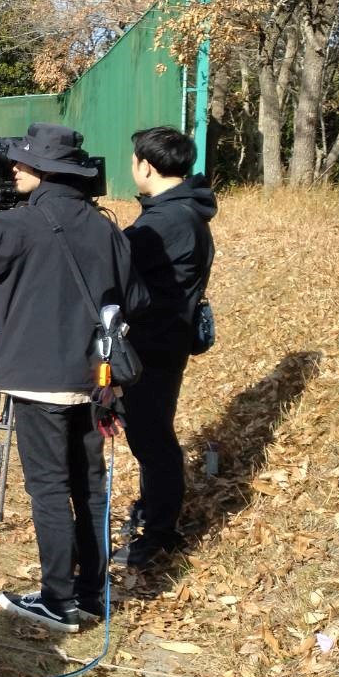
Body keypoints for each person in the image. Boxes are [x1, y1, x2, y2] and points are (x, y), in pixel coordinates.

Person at [0, 123, 148, 634]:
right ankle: (89, 596)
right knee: (89, 489)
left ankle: (58, 600)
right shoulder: (106, 228)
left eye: (23, 164)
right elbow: (134, 300)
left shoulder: (23, 226)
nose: (16, 170)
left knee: (48, 488)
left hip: (39, 381)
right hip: (97, 378)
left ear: (41, 172)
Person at [115, 126, 217, 567]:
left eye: (133, 160)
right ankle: (153, 516)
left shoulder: (167, 221)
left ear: (146, 166)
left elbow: (113, 261)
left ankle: (158, 532)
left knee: (153, 441)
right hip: (160, 342)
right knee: (150, 438)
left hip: (154, 347)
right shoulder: (180, 210)